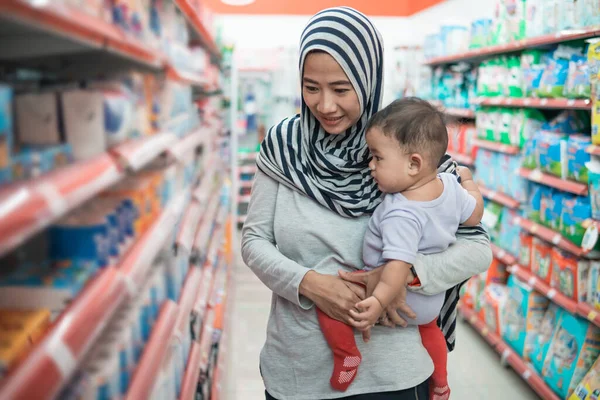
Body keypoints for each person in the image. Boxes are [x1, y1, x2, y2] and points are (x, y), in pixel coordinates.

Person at [242, 7, 492, 400]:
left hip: (395, 374)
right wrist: (310, 284)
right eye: (311, 87)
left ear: (368, 77)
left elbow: (478, 249)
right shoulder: (283, 147)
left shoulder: (409, 144)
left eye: (342, 89)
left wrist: (402, 276)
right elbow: (254, 241)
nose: (325, 105)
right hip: (298, 371)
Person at [315, 98, 484, 399]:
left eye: (378, 158)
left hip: (398, 296)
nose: (371, 165)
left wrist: (378, 302)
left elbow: (397, 265)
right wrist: (469, 183)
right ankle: (442, 382)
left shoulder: (401, 211)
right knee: (431, 331)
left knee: (329, 305)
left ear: (413, 163)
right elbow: (474, 216)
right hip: (431, 300)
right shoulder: (449, 185)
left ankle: (347, 354)